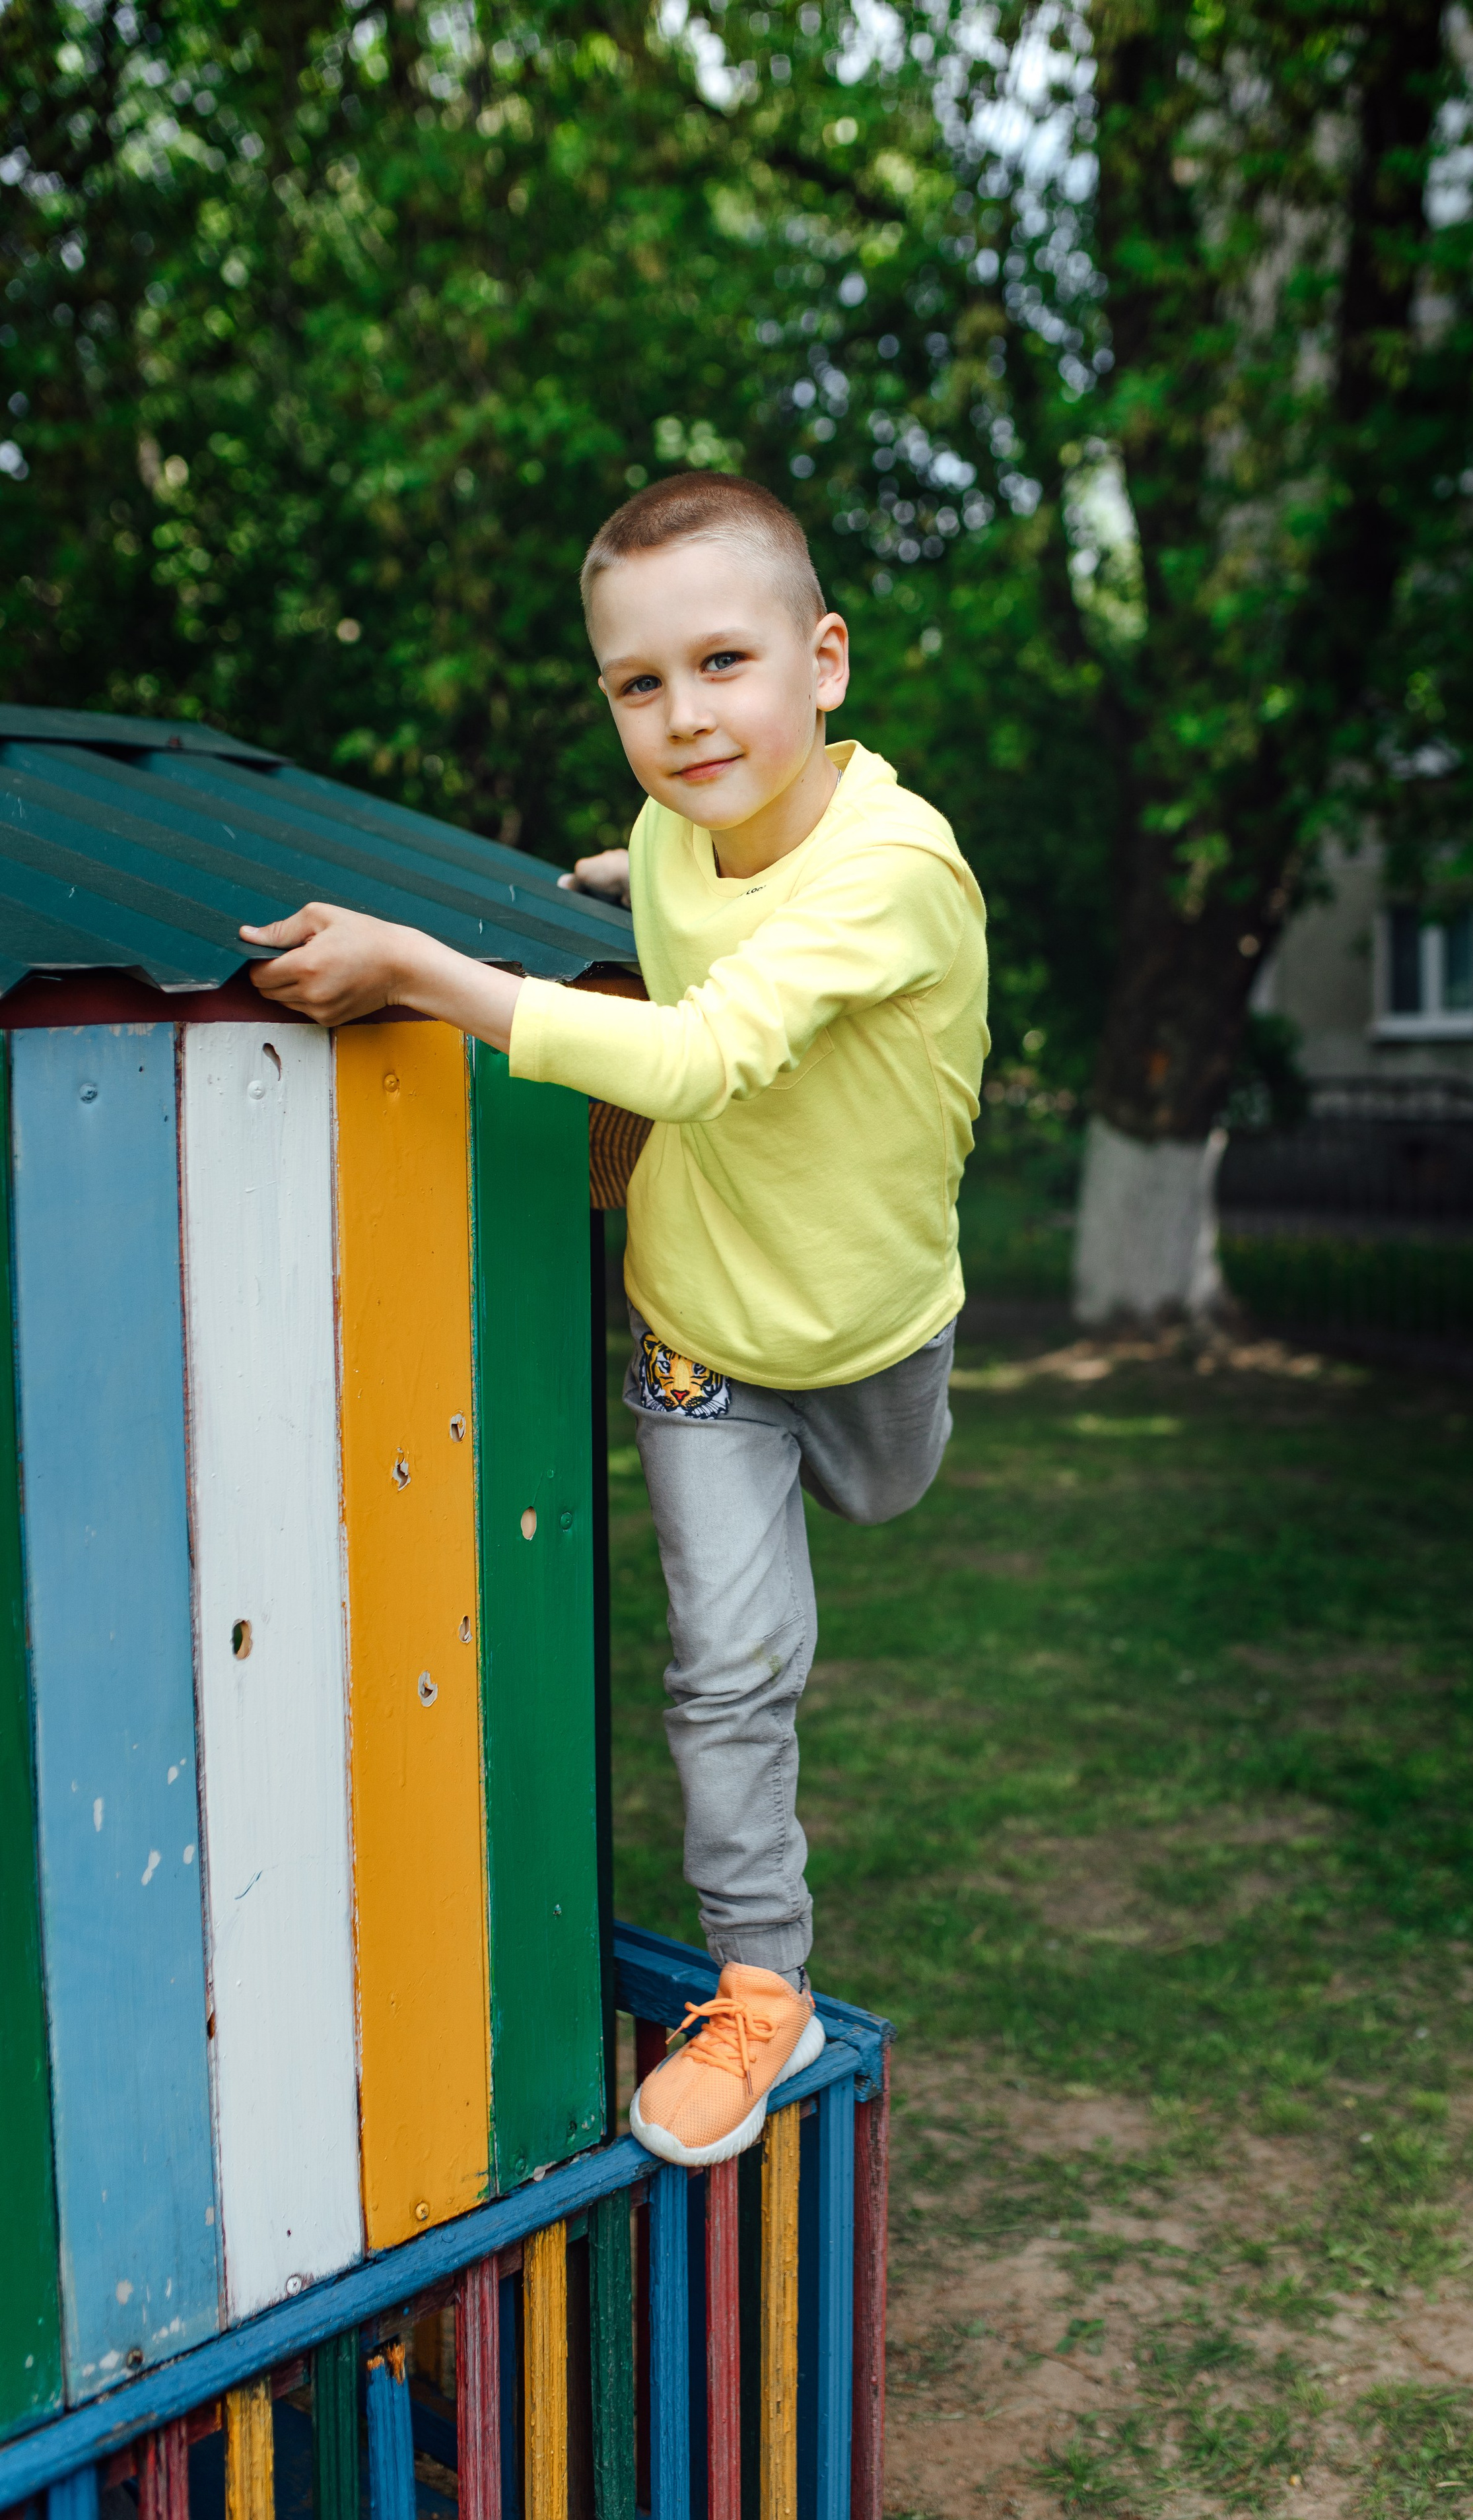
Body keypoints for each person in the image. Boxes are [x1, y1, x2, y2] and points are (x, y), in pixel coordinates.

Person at [242, 472, 988, 2166]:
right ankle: (761, 1983)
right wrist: (623, 875)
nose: (682, 715)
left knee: (878, 1491)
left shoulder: (895, 873)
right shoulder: (673, 836)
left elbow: (707, 1053)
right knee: (727, 1671)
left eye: (723, 663)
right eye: (637, 685)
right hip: (699, 1332)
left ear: (826, 663)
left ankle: (876, 1433)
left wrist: (428, 968)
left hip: (874, 1327)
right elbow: (684, 900)